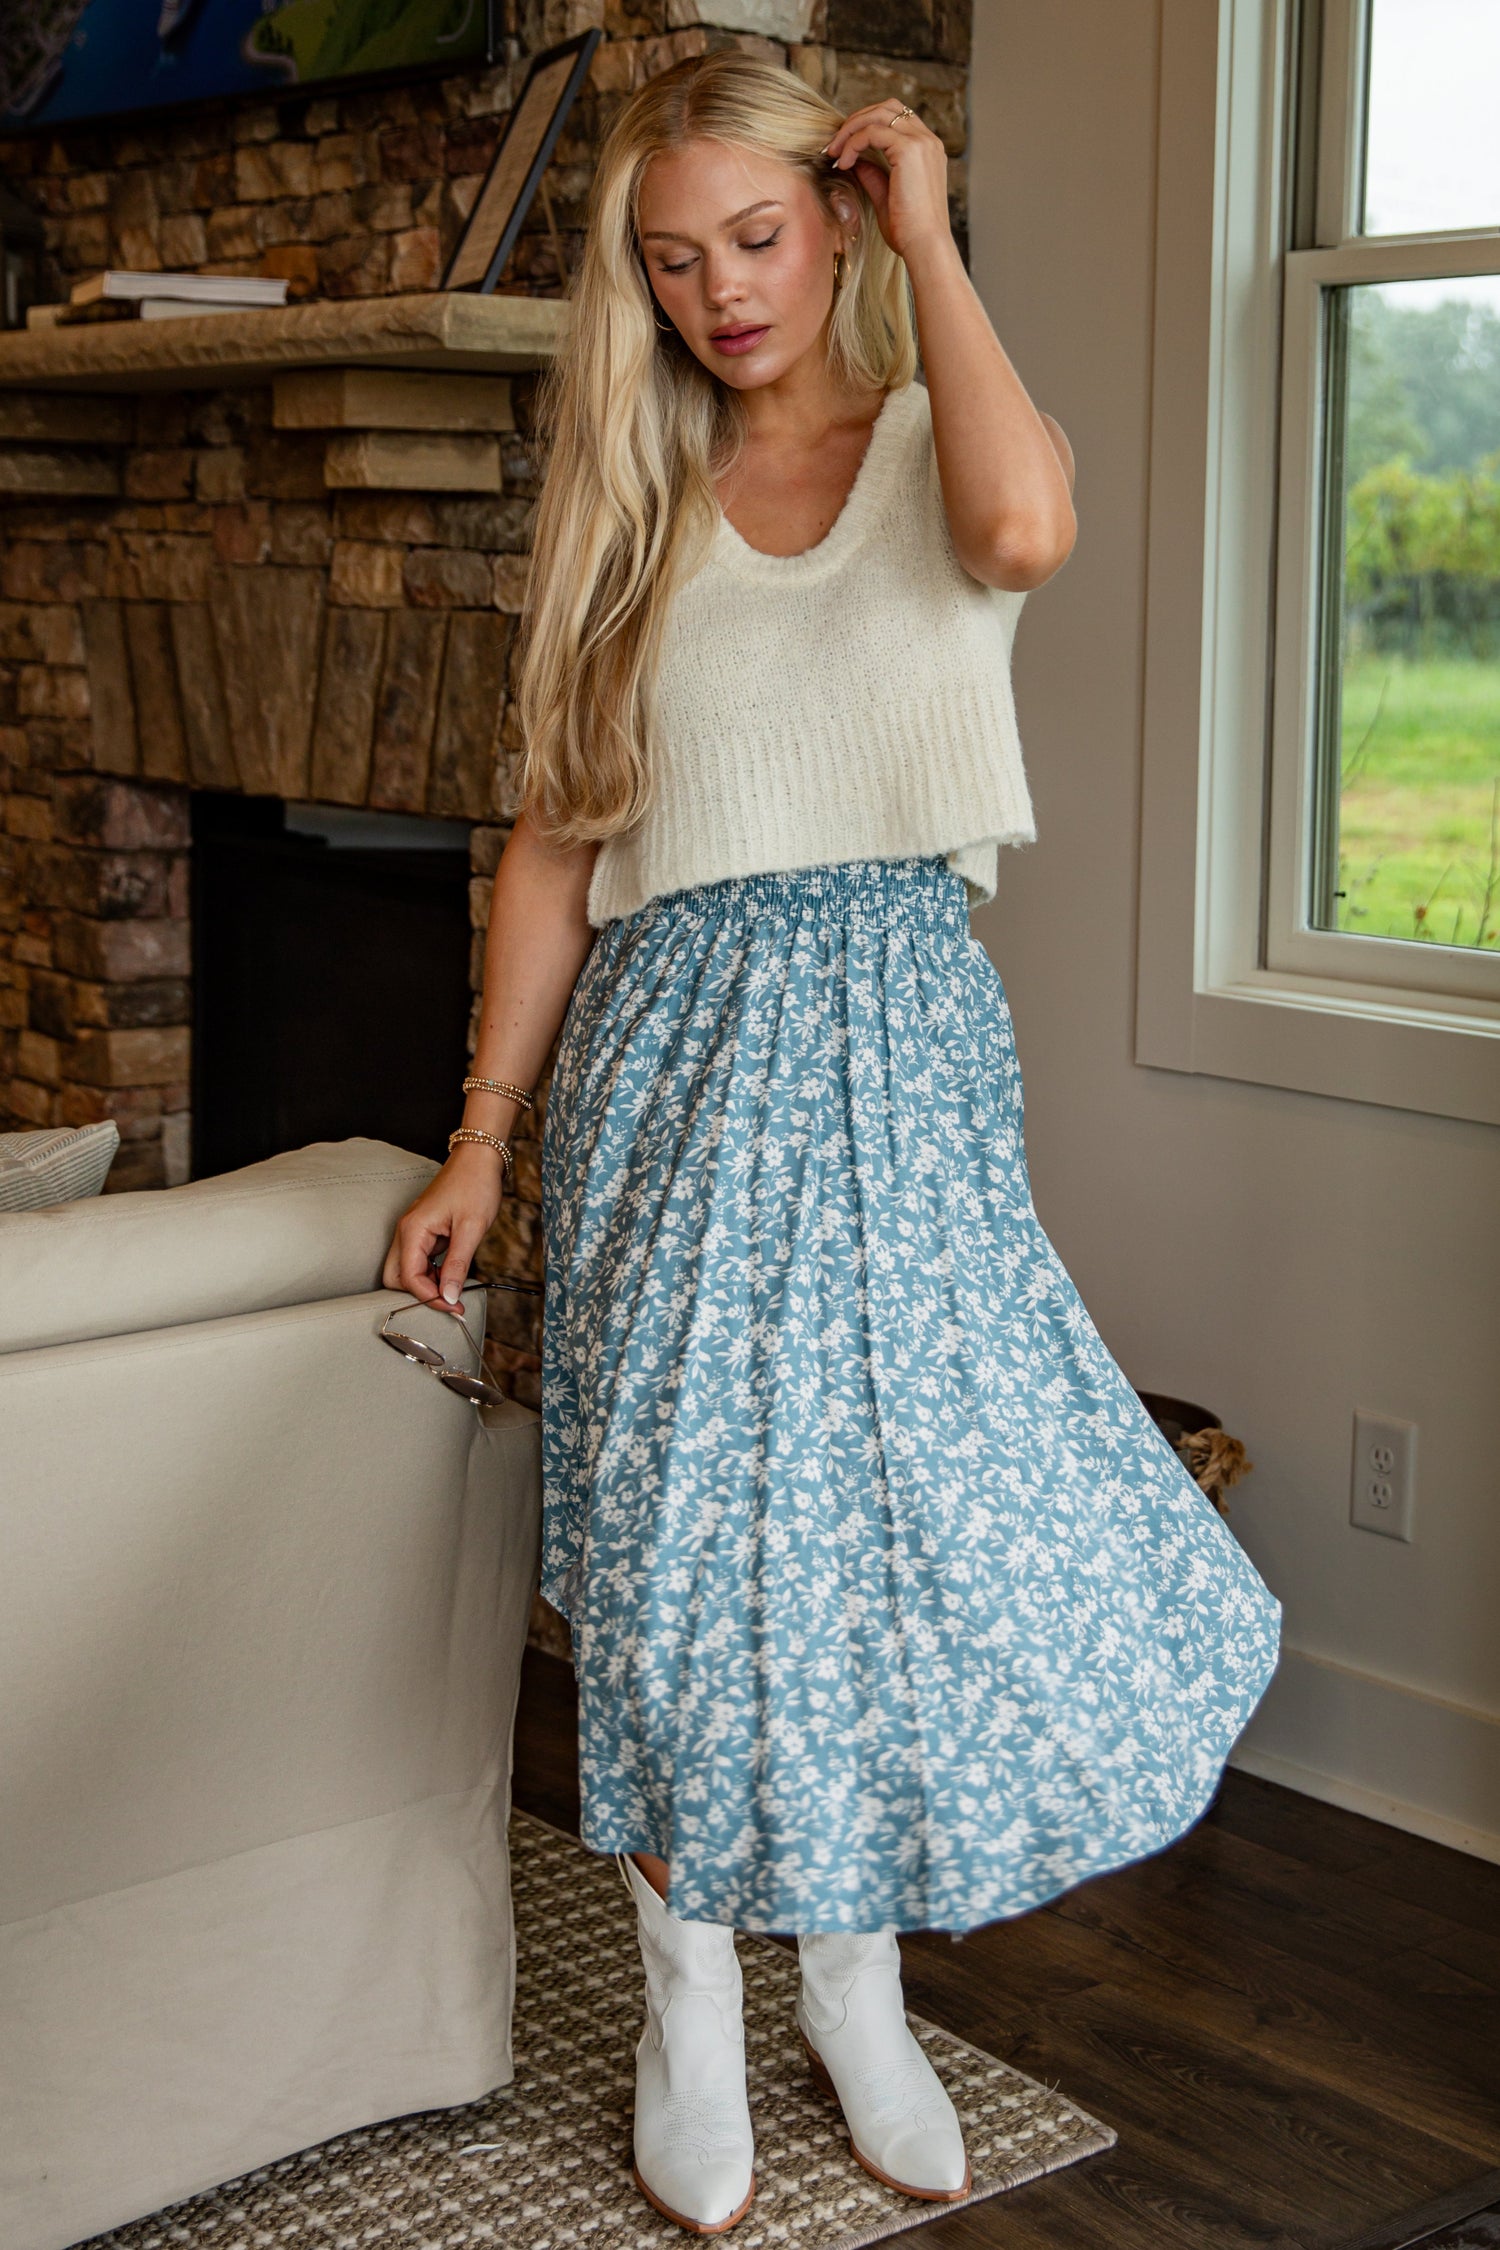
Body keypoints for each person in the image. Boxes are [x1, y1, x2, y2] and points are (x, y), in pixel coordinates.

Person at [383, 47, 1283, 2238]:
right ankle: (696, 1994)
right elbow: (549, 837)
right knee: (685, 1561)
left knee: (892, 1546)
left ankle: (854, 1985)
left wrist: (935, 228)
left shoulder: (946, 440)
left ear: (847, 218)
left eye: (758, 238)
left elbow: (1030, 534)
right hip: (672, 1063)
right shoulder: (628, 494)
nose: (717, 293)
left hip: (904, 1058)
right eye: (671, 259)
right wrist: (483, 1135)